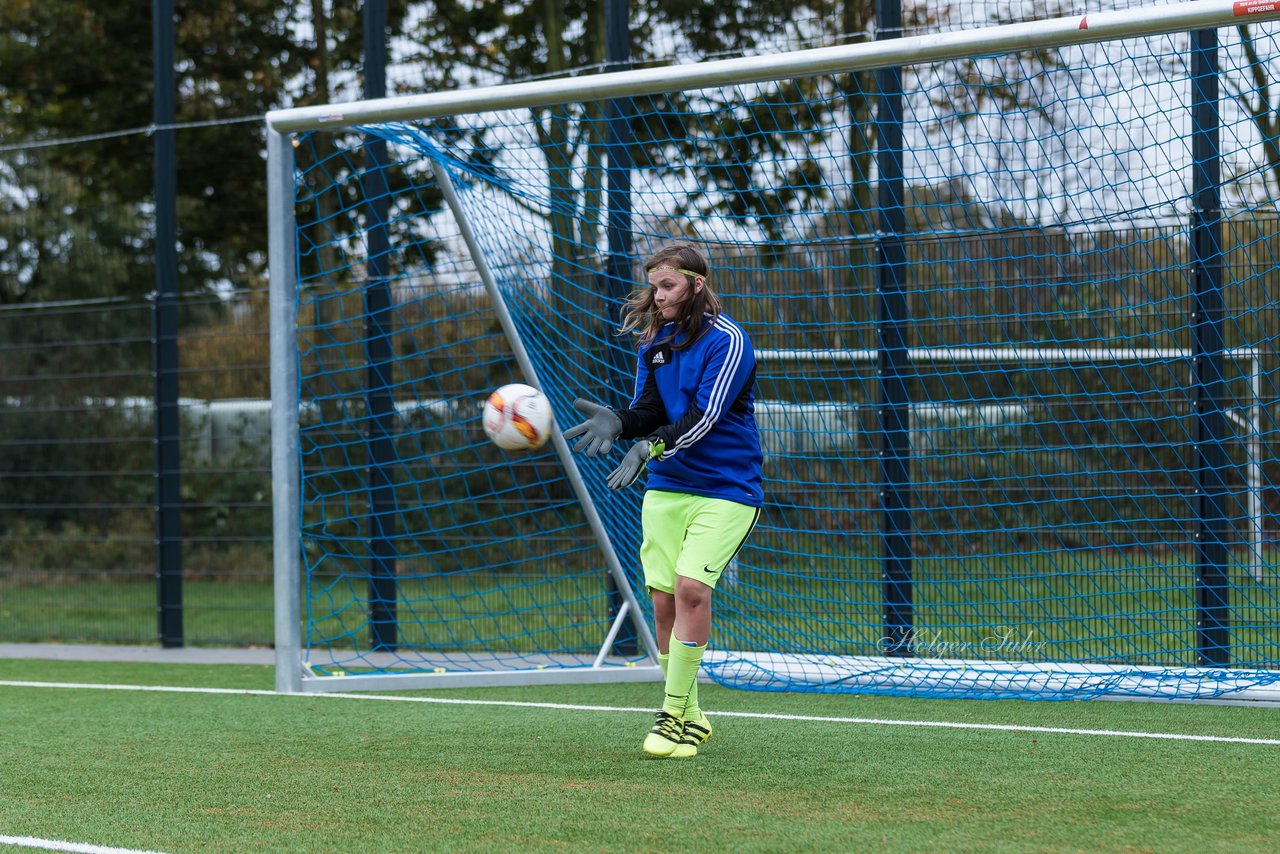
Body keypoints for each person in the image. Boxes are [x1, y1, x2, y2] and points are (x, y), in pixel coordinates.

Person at [564, 242, 763, 758]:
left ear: (697, 284)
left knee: (693, 588)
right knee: (664, 603)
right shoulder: (654, 341)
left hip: (727, 488)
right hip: (668, 487)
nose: (657, 296)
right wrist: (621, 420)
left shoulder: (729, 340)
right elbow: (650, 408)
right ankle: (695, 718)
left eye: (668, 285)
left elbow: (705, 416)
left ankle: (672, 714)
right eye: (653, 286)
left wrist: (649, 446)